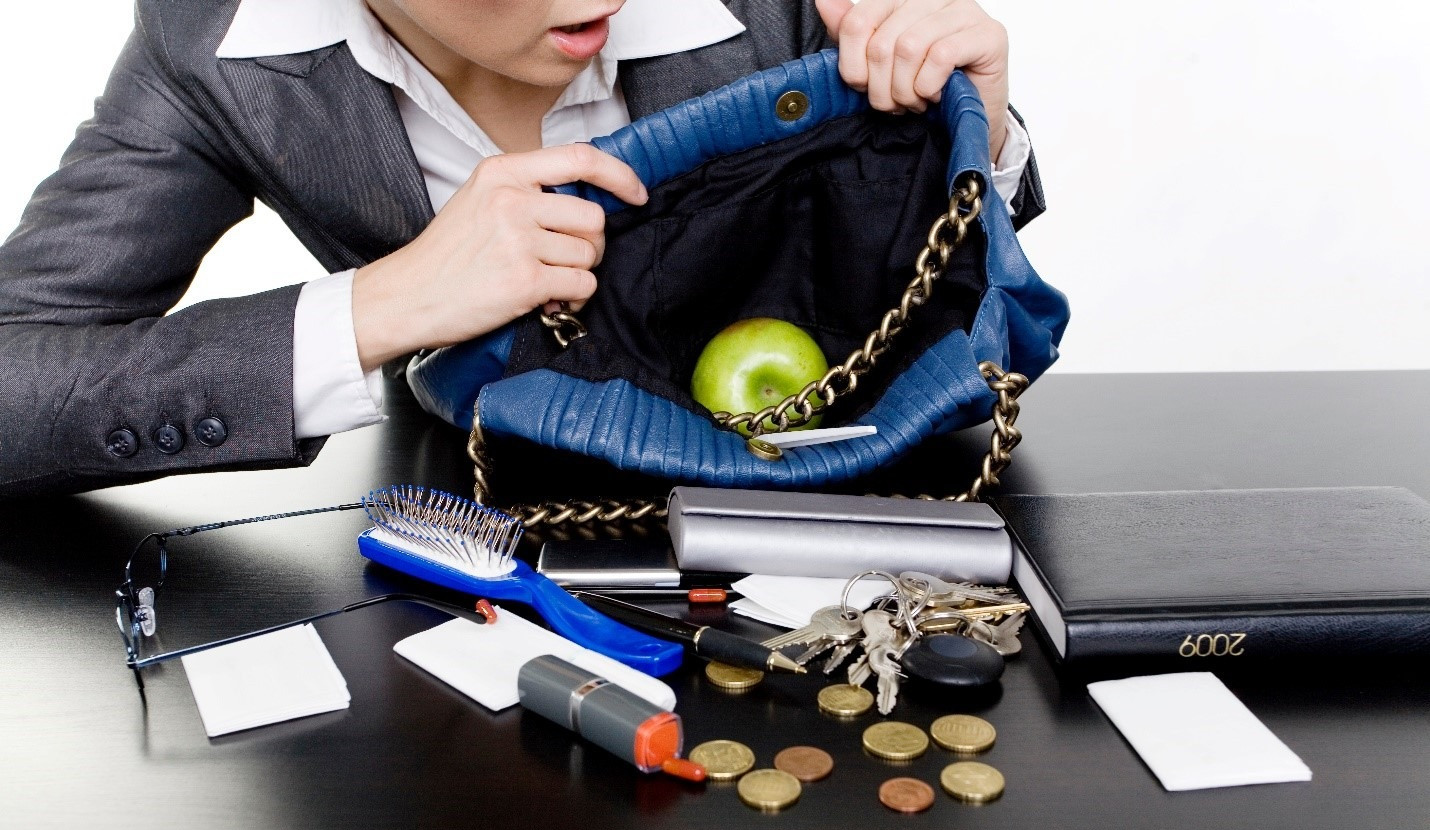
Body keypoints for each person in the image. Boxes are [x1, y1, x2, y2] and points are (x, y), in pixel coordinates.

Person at [0, 0, 1044, 499]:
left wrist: (968, 135)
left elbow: (919, 295)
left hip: (843, 522)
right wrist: (381, 305)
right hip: (462, 557)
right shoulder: (217, 49)